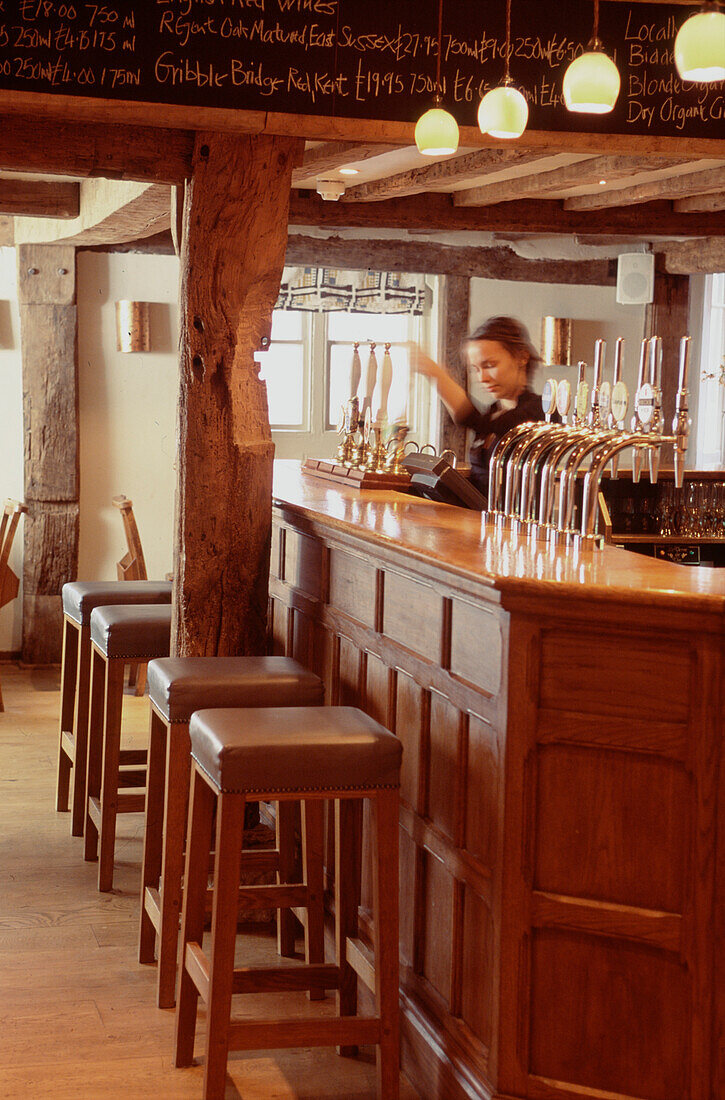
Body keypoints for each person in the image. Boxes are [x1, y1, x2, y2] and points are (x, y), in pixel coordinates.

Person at [410, 315, 546, 498]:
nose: (482, 378)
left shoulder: (539, 411)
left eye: (490, 365)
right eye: (476, 369)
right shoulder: (494, 410)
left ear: (522, 358)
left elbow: (477, 421)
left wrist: (437, 375)